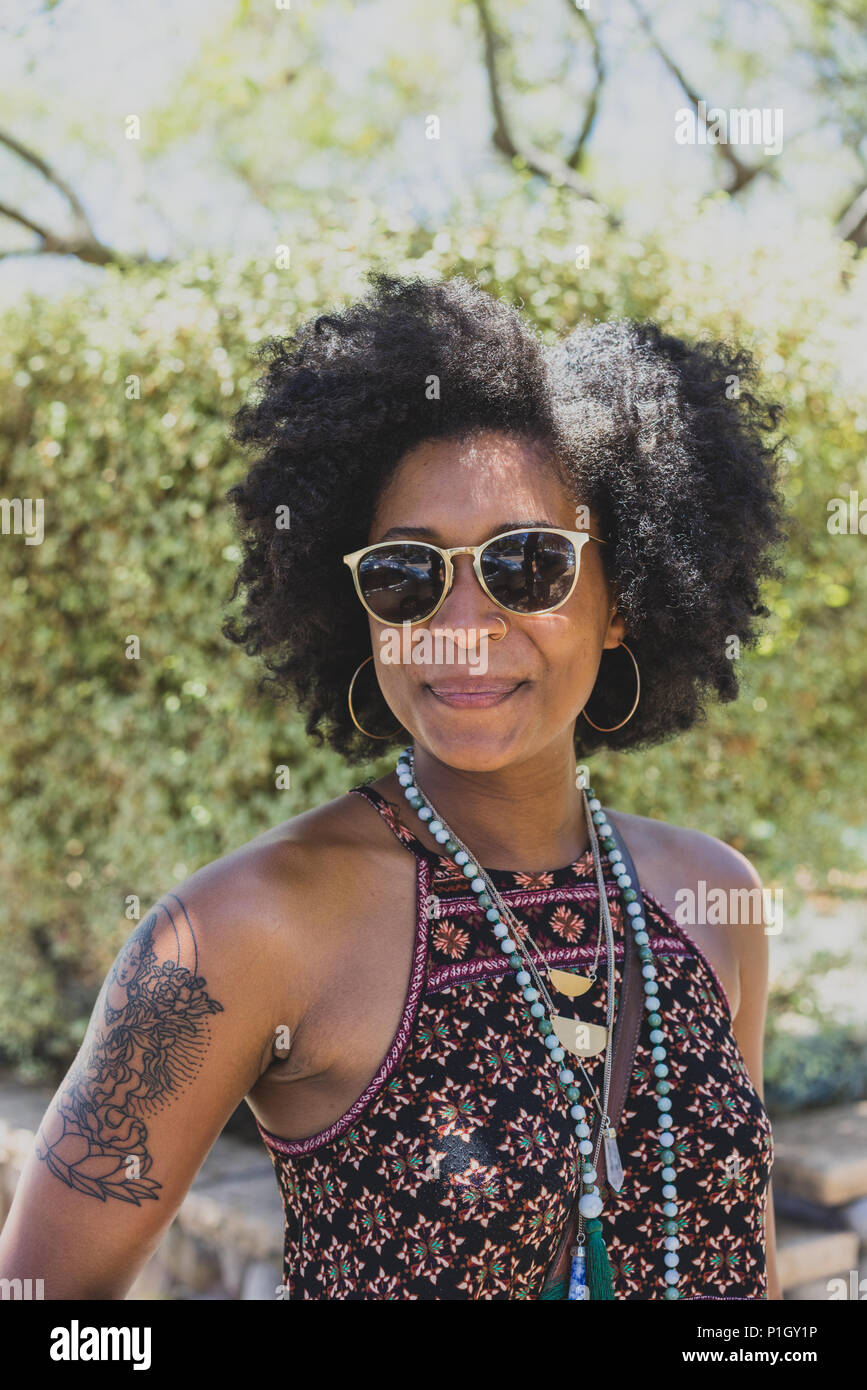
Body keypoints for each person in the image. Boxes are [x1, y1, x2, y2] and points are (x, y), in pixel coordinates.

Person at [0, 272, 786, 1300]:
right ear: (360, 610)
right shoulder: (244, 927)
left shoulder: (712, 900)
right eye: (408, 575)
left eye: (528, 565)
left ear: (623, 597)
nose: (460, 624)